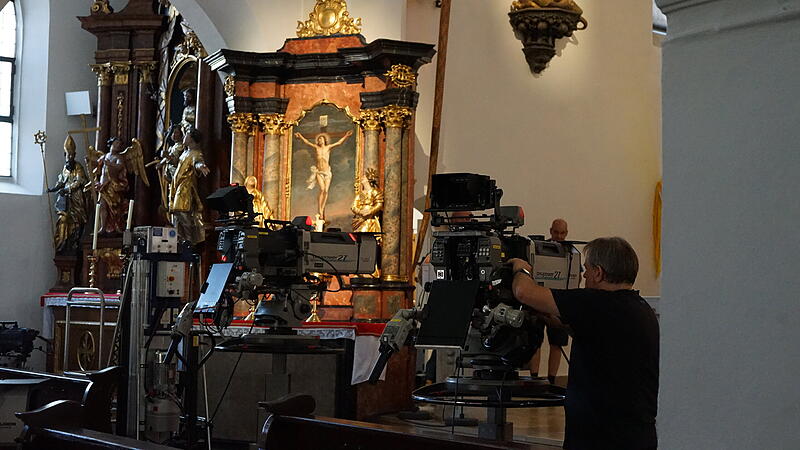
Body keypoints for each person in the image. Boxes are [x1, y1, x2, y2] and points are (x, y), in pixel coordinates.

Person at [509, 237, 658, 449]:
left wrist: (520, 269)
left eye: (586, 269)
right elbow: (600, 336)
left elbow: (523, 292)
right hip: (633, 435)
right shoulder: (639, 308)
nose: (584, 275)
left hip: (599, 438)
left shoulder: (595, 302)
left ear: (599, 272)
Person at [529, 218, 572, 383]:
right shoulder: (539, 248)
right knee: (535, 342)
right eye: (556, 232)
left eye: (562, 233)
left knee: (557, 343)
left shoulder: (570, 252)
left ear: (566, 233)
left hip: (559, 303)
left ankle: (552, 380)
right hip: (539, 301)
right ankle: (533, 379)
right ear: (550, 231)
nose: (559, 236)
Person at [294, 129, 353, 222]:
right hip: (319, 172)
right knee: (321, 189)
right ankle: (320, 210)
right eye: (319, 139)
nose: (320, 140)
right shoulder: (316, 148)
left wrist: (346, 135)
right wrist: (300, 136)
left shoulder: (328, 147)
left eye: (322, 139)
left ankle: (322, 206)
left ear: (325, 140)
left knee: (325, 191)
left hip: (327, 172)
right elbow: (307, 142)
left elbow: (339, 143)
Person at [49, 135, 89, 254]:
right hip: (66, 202)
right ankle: (63, 244)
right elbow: (61, 181)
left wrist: (67, 189)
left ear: (75, 155)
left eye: (72, 155)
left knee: (77, 222)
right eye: (68, 155)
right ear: (64, 155)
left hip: (77, 200)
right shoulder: (65, 168)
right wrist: (54, 188)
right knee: (64, 220)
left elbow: (79, 181)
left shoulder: (78, 167)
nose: (70, 157)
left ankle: (75, 243)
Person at [169, 128, 209, 244]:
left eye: (186, 135)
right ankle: (180, 240)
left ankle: (189, 241)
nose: (183, 138)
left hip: (185, 189)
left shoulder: (195, 152)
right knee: (177, 216)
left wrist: (201, 166)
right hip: (177, 187)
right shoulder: (185, 152)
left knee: (182, 214)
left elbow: (197, 161)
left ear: (191, 139)